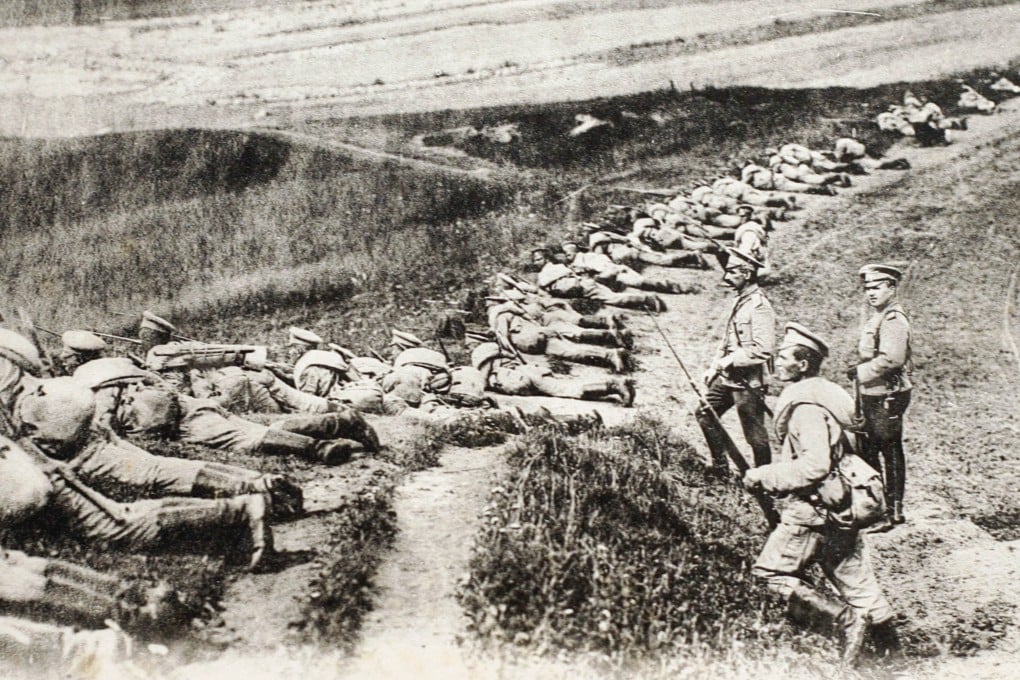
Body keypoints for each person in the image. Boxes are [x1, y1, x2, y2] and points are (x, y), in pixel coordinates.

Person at [743, 323, 899, 667]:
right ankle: (893, 658)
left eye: (783, 356)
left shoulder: (806, 409)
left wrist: (762, 476)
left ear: (802, 365)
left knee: (770, 576)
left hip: (814, 511)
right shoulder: (826, 397)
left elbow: (814, 466)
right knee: (856, 579)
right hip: (842, 508)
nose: (775, 361)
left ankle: (845, 622)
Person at [847, 264, 912, 526]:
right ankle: (879, 507)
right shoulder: (880, 316)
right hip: (873, 391)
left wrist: (860, 372)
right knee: (870, 448)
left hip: (888, 392)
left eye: (876, 287)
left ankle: (893, 510)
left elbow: (892, 359)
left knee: (888, 447)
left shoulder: (894, 319)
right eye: (867, 289)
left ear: (892, 288)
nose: (870, 294)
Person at [701, 249, 775, 471]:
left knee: (754, 436)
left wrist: (729, 360)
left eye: (732, 273)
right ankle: (720, 467)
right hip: (727, 378)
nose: (726, 278)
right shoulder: (740, 300)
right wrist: (715, 366)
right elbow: (727, 339)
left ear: (747, 273)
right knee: (705, 415)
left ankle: (765, 482)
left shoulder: (760, 307)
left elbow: (763, 349)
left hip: (749, 383)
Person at [472, 342, 634, 406]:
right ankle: (612, 387)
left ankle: (614, 386)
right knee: (564, 387)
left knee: (567, 390)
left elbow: (482, 382)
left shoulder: (481, 356)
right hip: (529, 371)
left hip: (525, 376)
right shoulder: (497, 353)